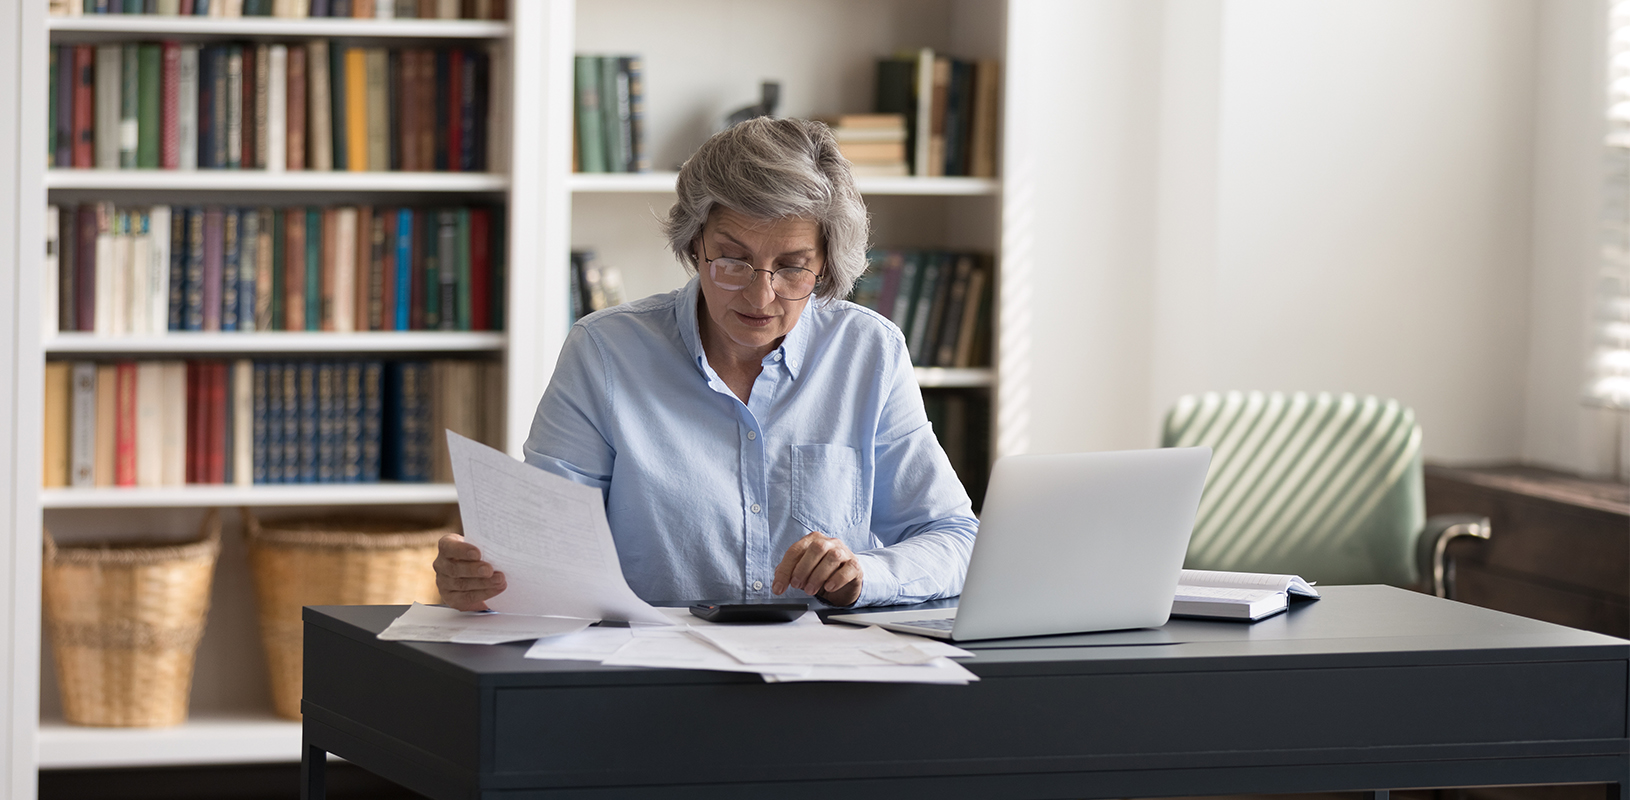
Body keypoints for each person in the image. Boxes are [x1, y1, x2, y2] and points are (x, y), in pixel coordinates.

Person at [434, 117, 978, 611]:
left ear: (827, 265)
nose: (760, 296)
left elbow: (956, 537)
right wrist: (485, 577)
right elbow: (540, 548)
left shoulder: (869, 352)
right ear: (695, 244)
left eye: (792, 268)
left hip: (821, 679)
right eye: (733, 260)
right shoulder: (606, 352)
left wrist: (866, 574)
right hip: (651, 677)